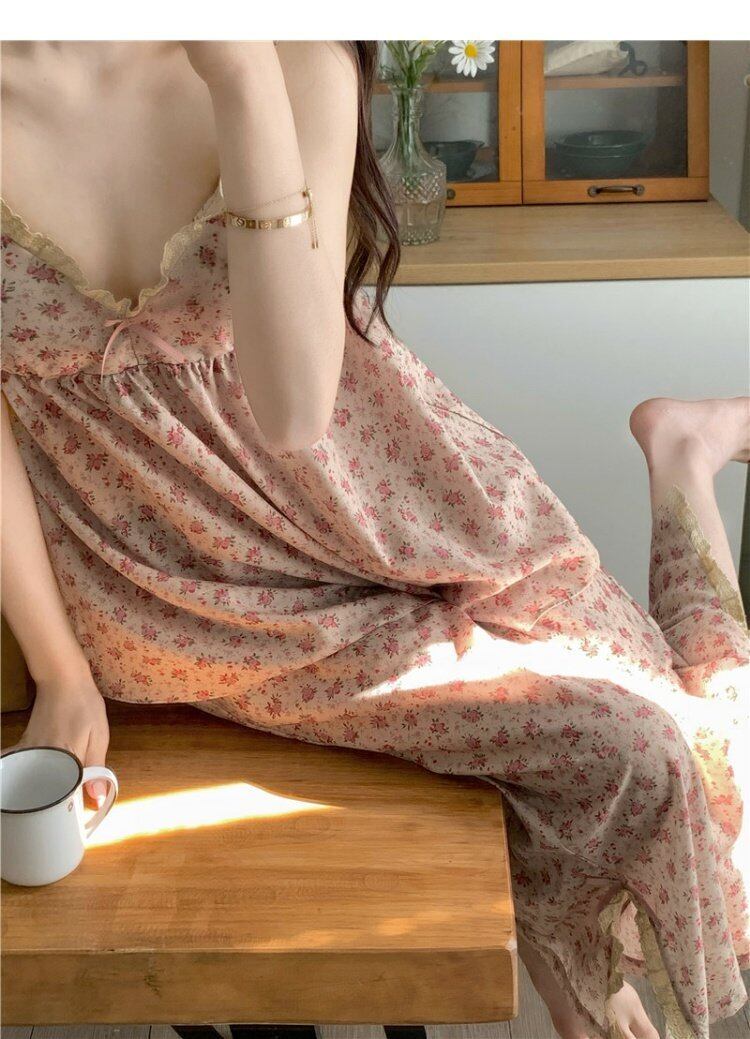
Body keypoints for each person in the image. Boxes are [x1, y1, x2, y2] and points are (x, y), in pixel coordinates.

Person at [1, 40, 747, 1039]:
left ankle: (683, 452)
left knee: (713, 766)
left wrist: (241, 74)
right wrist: (61, 668)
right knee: (641, 751)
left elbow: (294, 411)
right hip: (183, 596)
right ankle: (569, 937)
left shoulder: (296, 64)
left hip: (402, 504)